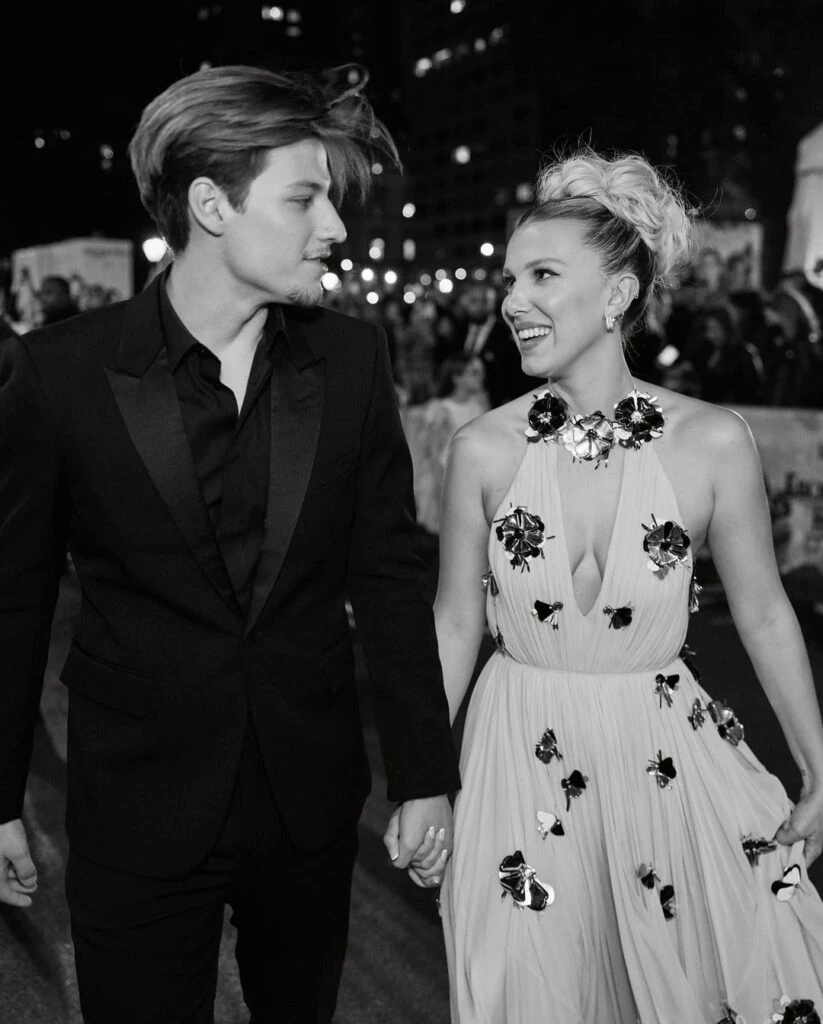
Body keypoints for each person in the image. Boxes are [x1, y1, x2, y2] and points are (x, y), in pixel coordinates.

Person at [0, 64, 459, 1024]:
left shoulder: (350, 361)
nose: (332, 228)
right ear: (212, 205)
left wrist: (423, 776)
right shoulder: (59, 372)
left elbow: (387, 575)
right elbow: (16, 593)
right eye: (303, 198)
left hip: (308, 799)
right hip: (138, 801)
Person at [430, 150, 823, 1022]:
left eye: (541, 276)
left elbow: (763, 612)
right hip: (518, 756)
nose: (511, 301)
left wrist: (817, 763)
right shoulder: (481, 450)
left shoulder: (711, 442)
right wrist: (422, 780)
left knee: (695, 978)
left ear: (616, 295)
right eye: (509, 279)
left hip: (661, 756)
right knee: (530, 987)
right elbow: (455, 622)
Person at [414, 353, 489, 535]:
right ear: (457, 378)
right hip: (448, 478)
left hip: (475, 478)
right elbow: (433, 454)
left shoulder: (480, 404)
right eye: (473, 372)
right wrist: (441, 491)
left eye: (480, 372)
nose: (480, 377)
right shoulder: (441, 409)